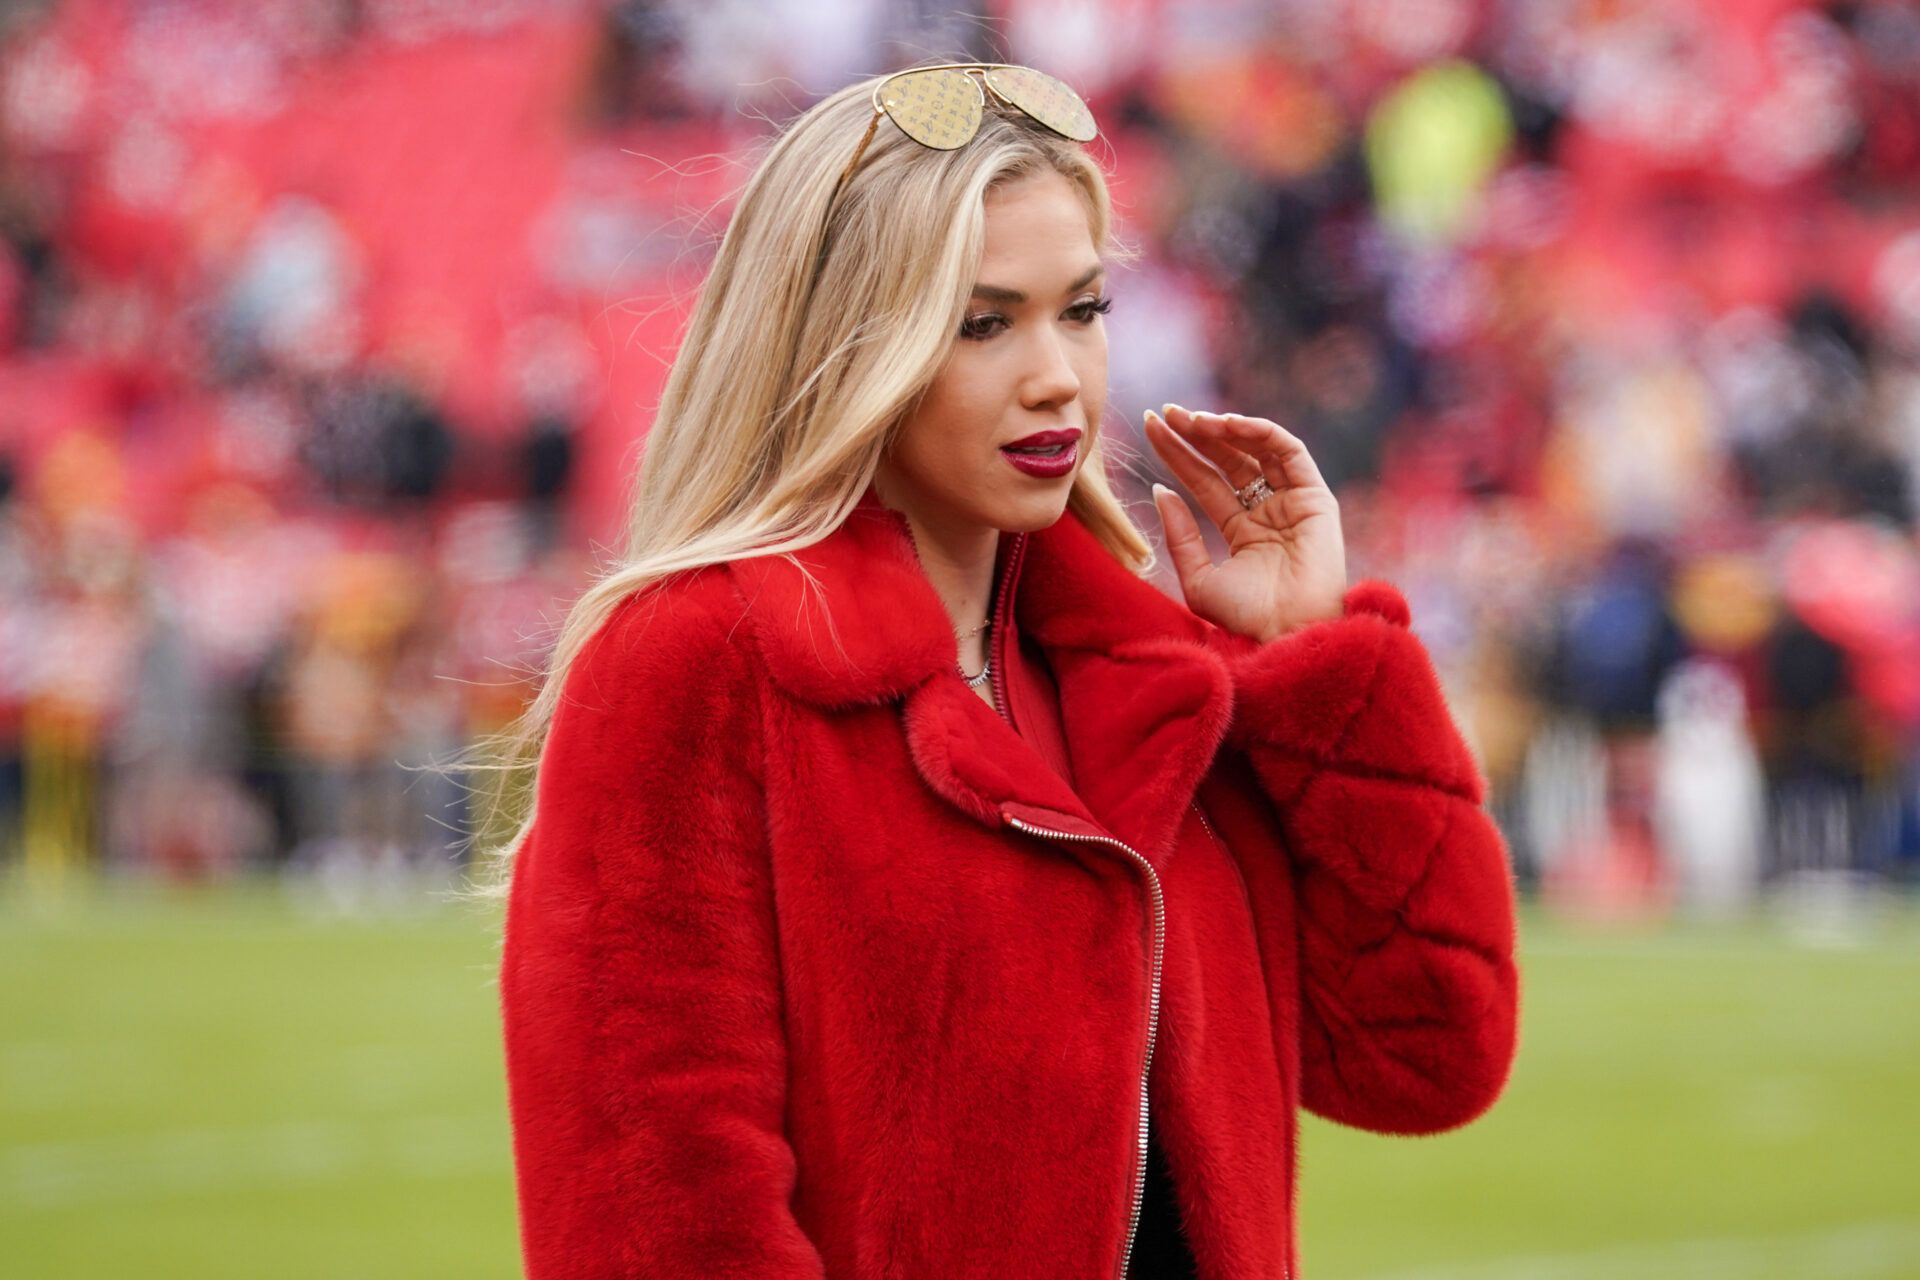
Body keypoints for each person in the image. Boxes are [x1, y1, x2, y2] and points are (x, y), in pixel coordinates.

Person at [489, 61, 1520, 1279]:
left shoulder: (1153, 673)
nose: (1057, 376)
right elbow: (657, 1208)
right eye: (984, 322)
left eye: (1082, 311)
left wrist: (1310, 658)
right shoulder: (698, 656)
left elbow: (1427, 1047)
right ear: (842, 349)